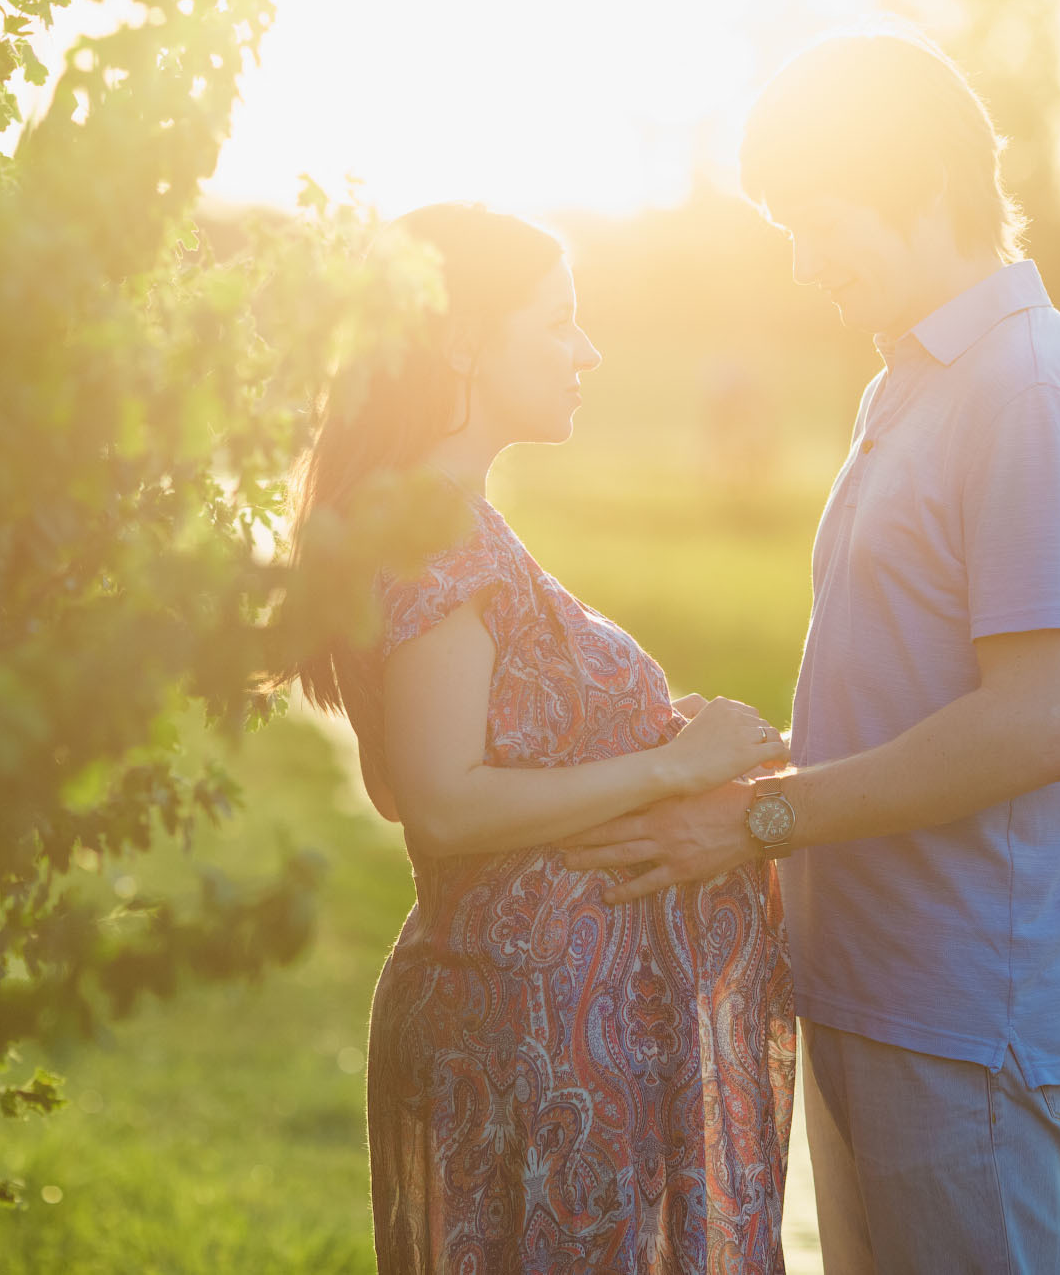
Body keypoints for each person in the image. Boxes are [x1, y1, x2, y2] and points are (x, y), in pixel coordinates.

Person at [564, 21, 1060, 1275]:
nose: (806, 262)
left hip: (958, 1014)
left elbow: (1036, 721)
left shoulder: (1027, 386)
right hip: (866, 984)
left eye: (821, 221)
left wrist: (764, 819)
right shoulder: (907, 382)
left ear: (922, 185)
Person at [285, 202, 796, 1273]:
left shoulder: (439, 514)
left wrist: (650, 733)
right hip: (524, 1039)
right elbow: (438, 801)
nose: (587, 350)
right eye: (557, 321)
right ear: (464, 338)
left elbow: (422, 774)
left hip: (533, 1032)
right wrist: (667, 764)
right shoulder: (432, 526)